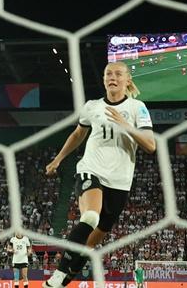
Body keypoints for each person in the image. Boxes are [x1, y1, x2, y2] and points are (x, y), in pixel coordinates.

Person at [42, 62, 156, 288]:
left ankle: (64, 280)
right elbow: (78, 134)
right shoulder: (92, 106)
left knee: (90, 244)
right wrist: (58, 159)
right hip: (90, 169)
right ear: (104, 79)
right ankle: (57, 276)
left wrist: (127, 125)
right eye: (108, 74)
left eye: (118, 74)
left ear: (127, 80)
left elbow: (151, 145)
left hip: (120, 181)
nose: (112, 77)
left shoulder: (137, 108)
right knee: (90, 217)